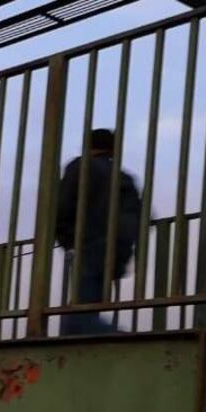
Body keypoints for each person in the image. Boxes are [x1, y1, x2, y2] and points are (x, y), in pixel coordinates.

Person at [55, 128, 143, 336]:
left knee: (78, 318)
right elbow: (139, 214)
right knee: (80, 313)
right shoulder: (123, 177)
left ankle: (124, 341)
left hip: (88, 247)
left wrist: (67, 240)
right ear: (113, 150)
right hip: (117, 251)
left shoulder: (80, 168)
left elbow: (62, 207)